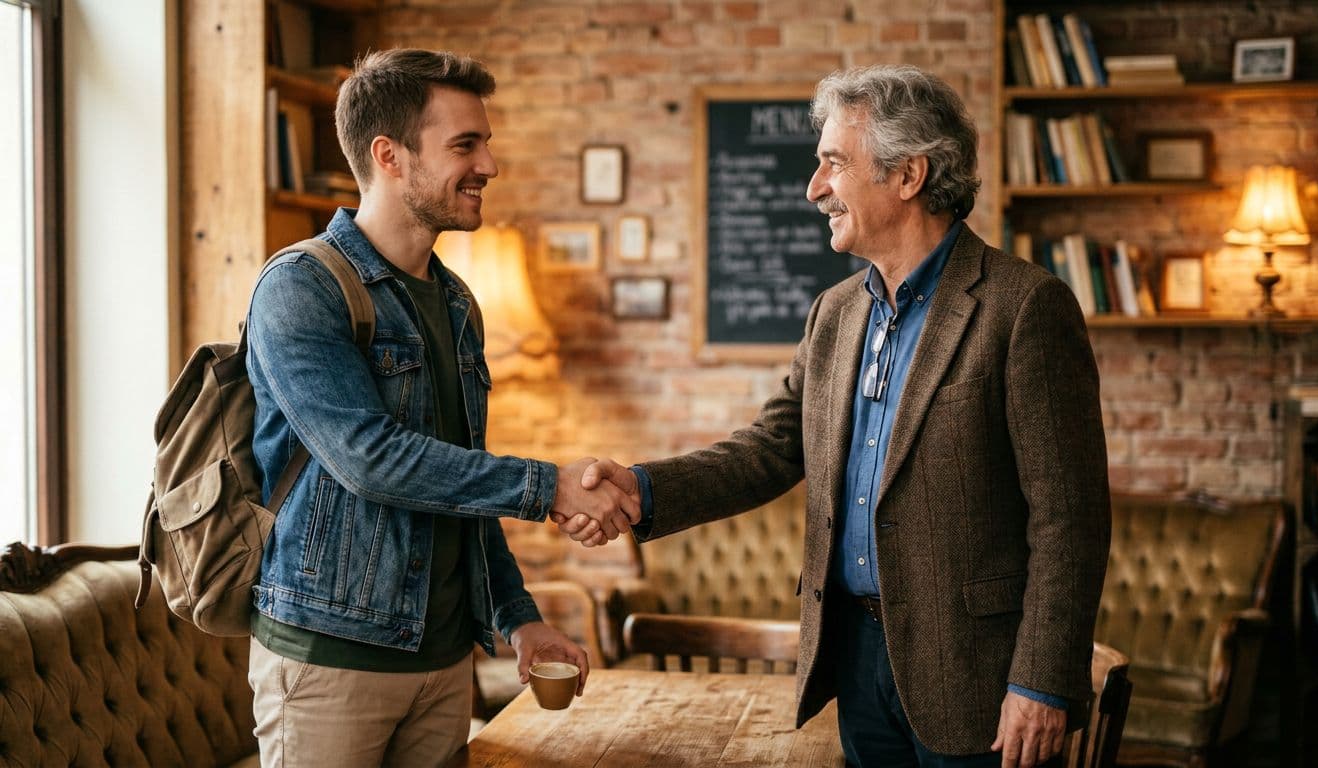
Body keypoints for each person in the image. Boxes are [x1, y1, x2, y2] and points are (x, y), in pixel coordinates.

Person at [561, 65, 1111, 768]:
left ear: (907, 174)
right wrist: (642, 490)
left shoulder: (1025, 307)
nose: (814, 189)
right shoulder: (835, 312)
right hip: (853, 659)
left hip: (978, 677)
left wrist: (1041, 682)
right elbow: (772, 447)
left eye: (833, 165)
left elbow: (1071, 517)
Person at [245, 48, 638, 767]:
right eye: (466, 144)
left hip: (444, 660)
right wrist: (548, 485)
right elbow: (371, 460)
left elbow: (456, 484)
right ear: (390, 156)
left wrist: (520, 622)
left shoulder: (457, 302)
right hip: (334, 662)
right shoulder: (301, 288)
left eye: (485, 142)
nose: (490, 164)